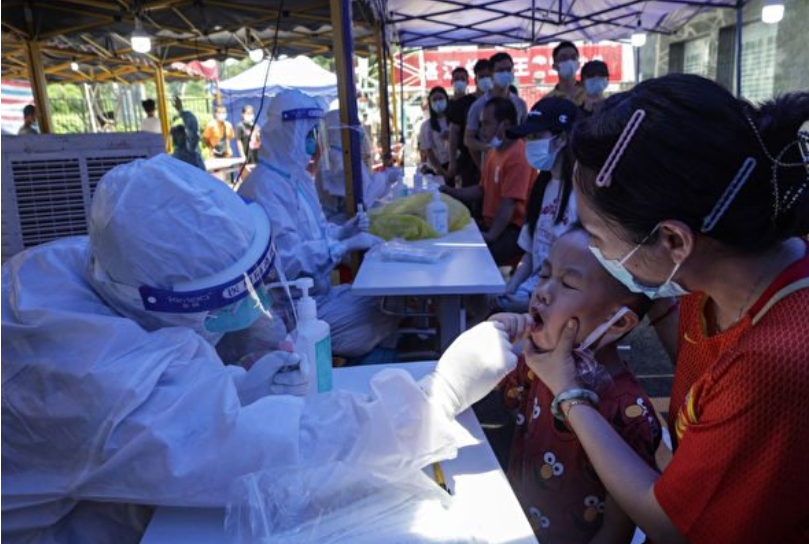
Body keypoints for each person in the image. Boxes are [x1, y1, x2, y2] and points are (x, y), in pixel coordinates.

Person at [1, 152, 520, 543]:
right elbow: (280, 454)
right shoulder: (89, 379)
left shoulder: (87, 265)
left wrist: (235, 386)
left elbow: (169, 399)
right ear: (161, 297)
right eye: (227, 300)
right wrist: (432, 401)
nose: (250, 310)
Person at [529, 74, 809, 544]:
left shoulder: (775, 361)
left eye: (598, 238)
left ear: (673, 240)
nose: (597, 252)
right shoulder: (714, 273)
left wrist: (569, 391)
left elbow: (671, 527)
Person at [492, 226, 661, 544]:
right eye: (544, 275)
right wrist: (493, 341)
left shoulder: (630, 412)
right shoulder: (537, 363)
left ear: (618, 321)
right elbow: (488, 396)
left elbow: (616, 530)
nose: (542, 292)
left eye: (568, 283)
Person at [238, 90, 396, 358]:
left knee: (387, 300)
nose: (313, 142)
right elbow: (289, 261)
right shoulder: (264, 187)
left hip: (317, 295)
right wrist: (344, 246)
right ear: (289, 134)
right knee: (384, 310)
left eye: (315, 133)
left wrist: (343, 231)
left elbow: (314, 233)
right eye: (308, 134)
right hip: (290, 313)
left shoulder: (296, 179)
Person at [492, 97, 579, 313]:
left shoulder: (582, 194)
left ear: (562, 139)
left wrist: (530, 303)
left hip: (560, 305)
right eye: (528, 137)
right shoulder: (542, 186)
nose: (529, 144)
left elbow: (581, 271)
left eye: (537, 136)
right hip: (534, 293)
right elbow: (531, 253)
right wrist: (511, 287)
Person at [443, 97, 535, 265]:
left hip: (513, 230)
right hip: (492, 224)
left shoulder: (518, 155)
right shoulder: (494, 151)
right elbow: (481, 190)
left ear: (505, 125)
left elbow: (509, 203)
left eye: (486, 124)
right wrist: (448, 192)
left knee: (477, 261)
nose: (481, 130)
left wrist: (491, 235)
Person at [464, 52, 529, 159]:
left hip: (516, 161)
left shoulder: (520, 104)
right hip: (490, 162)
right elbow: (468, 139)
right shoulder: (478, 105)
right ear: (491, 73)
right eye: (500, 70)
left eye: (508, 69)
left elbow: (525, 135)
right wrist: (488, 149)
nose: (505, 73)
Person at [446, 59, 492, 189]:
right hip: (468, 160)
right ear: (475, 79)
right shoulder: (463, 103)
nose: (485, 79)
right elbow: (454, 133)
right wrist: (452, 161)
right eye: (482, 76)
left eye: (488, 76)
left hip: (494, 156)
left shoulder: (498, 102)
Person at [418, 86, 451, 178]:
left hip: (457, 165)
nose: (438, 102)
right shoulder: (426, 126)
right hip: (438, 169)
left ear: (447, 99)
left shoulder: (455, 121)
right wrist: (441, 171)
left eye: (440, 98)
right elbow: (429, 152)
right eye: (434, 100)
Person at [170, 96, 205, 170]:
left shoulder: (173, 159)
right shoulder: (193, 154)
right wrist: (181, 111)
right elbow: (193, 128)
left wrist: (181, 111)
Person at [546, 41, 586, 107]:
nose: (569, 61)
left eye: (573, 57)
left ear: (578, 64)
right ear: (555, 66)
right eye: (563, 58)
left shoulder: (589, 95)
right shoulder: (548, 100)